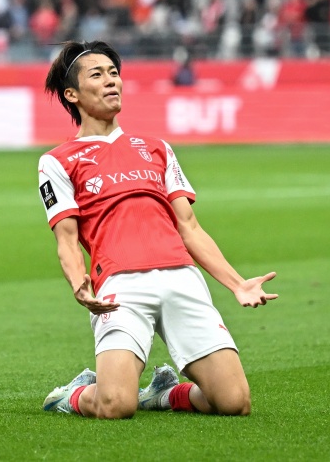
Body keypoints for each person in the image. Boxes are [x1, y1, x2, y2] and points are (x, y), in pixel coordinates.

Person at [37, 40, 278, 419]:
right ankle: (74, 394)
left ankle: (163, 394)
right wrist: (78, 284)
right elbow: (66, 239)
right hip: (120, 287)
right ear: (72, 94)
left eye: (114, 73)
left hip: (181, 277)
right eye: (97, 75)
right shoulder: (58, 161)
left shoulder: (157, 148)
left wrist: (236, 284)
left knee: (234, 402)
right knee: (115, 405)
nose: (111, 81)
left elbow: (189, 227)